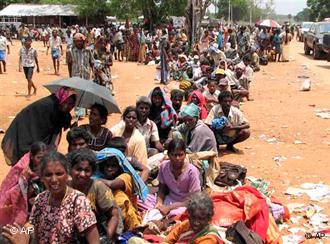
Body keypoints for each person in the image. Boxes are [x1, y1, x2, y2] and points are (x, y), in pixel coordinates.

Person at [2, 151, 100, 243]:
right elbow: (35, 233)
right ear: (41, 177)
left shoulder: (78, 201)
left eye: (59, 174)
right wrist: (21, 234)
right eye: (48, 175)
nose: (53, 179)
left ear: (67, 174)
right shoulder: (41, 199)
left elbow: (94, 240)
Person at [2, 87, 76, 165]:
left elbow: (60, 124)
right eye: (65, 102)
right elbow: (40, 131)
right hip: (26, 133)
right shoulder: (47, 106)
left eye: (70, 104)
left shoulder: (59, 110)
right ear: (61, 98)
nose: (66, 106)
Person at [67, 149, 122, 241]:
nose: (82, 174)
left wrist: (106, 238)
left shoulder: (98, 187)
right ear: (70, 170)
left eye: (87, 170)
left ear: (92, 172)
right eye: (78, 169)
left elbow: (114, 215)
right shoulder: (65, 187)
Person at [96, 148, 148, 231]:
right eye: (107, 166)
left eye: (113, 166)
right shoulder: (100, 177)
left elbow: (112, 184)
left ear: (120, 166)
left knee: (119, 197)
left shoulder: (126, 176)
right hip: (106, 218)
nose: (109, 169)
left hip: (129, 221)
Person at [0, 142, 47, 226]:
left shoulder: (47, 167)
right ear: (32, 157)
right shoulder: (22, 169)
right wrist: (25, 182)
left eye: (44, 158)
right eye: (39, 157)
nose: (42, 161)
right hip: (22, 207)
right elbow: (11, 190)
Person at [155, 139, 201, 217]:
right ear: (169, 155)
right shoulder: (164, 167)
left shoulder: (192, 171)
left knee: (176, 215)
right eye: (174, 155)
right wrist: (159, 203)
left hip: (185, 204)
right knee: (142, 199)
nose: (177, 158)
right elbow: (162, 189)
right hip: (169, 199)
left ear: (185, 154)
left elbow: (194, 199)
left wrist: (170, 207)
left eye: (180, 155)